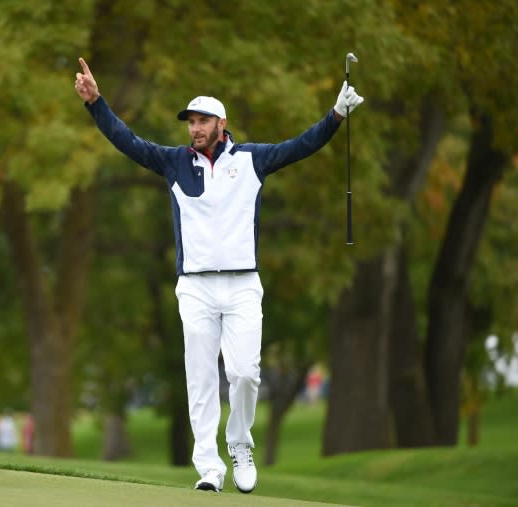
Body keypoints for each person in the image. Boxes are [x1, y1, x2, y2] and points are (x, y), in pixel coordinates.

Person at [74, 57, 363, 494]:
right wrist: (96, 104)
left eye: (203, 120)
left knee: (245, 373)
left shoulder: (252, 159)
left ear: (221, 123)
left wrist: (336, 115)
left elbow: (301, 145)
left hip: (243, 284)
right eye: (191, 121)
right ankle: (209, 467)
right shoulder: (173, 163)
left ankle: (240, 444)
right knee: (202, 377)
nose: (195, 128)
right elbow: (127, 141)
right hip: (195, 287)